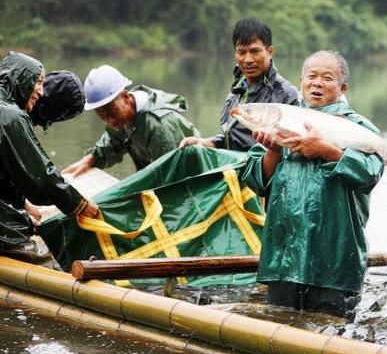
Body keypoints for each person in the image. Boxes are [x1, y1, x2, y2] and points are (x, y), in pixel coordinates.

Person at [242, 50, 384, 320]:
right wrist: (272, 150)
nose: (317, 83)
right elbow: (254, 181)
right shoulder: (280, 118)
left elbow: (370, 175)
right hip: (283, 256)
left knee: (332, 338)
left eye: (327, 78)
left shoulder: (359, 127)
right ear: (301, 81)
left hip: (335, 259)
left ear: (342, 88)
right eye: (311, 76)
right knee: (277, 334)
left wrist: (327, 151)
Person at [0, 52, 99, 267]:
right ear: (19, 77)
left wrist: (23, 204)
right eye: (37, 82)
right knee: (49, 272)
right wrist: (80, 205)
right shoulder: (9, 116)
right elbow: (42, 178)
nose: (41, 91)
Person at [180, 17, 299, 151]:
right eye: (241, 52)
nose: (248, 60)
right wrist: (206, 142)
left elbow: (293, 148)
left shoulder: (287, 94)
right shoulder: (236, 91)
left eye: (255, 51)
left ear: (270, 52)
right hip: (234, 169)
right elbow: (231, 138)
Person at [63, 65, 200, 176]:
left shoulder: (158, 124)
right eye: (102, 116)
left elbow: (175, 176)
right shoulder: (124, 117)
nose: (109, 121)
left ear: (126, 97)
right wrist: (91, 159)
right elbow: (112, 144)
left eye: (111, 113)